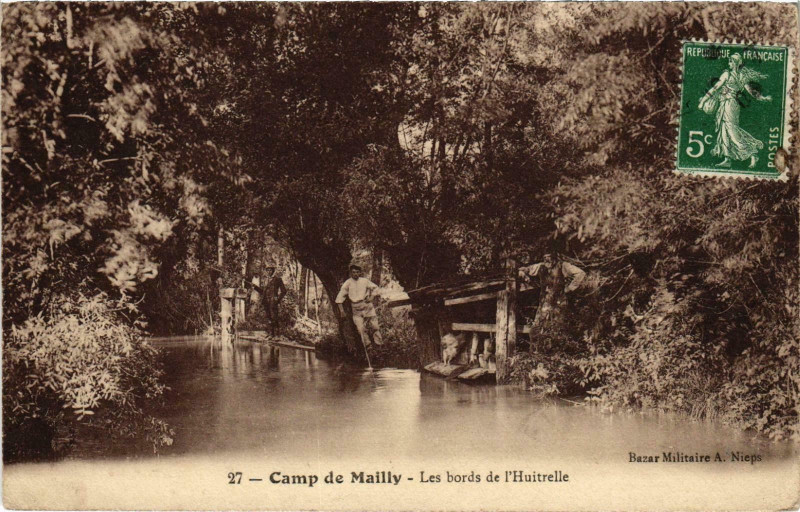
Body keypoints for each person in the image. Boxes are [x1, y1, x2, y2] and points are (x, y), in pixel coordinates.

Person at [699, 53, 772, 169]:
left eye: (730, 61)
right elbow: (752, 92)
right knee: (725, 131)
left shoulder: (727, 74)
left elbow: (715, 88)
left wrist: (703, 101)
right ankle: (727, 159)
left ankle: (752, 153)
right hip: (731, 104)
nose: (729, 63)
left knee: (732, 132)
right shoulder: (741, 76)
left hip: (729, 104)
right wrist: (762, 98)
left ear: (735, 63)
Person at [335, 262, 382, 348]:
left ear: (360, 273)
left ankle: (379, 344)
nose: (355, 274)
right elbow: (340, 297)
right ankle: (368, 346)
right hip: (356, 308)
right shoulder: (348, 283)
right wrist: (342, 311)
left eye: (357, 272)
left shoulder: (364, 281)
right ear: (350, 273)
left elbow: (376, 288)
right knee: (360, 329)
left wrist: (372, 297)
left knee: (375, 326)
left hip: (367, 306)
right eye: (353, 272)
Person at [249, 266, 286, 336]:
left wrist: (277, 299)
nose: (269, 272)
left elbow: (284, 291)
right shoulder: (266, 281)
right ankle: (271, 334)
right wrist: (255, 287)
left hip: (273, 302)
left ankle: (277, 335)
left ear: (273, 271)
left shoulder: (278, 279)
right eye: (267, 270)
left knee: (274, 317)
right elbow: (263, 292)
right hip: (266, 301)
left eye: (270, 270)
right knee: (269, 318)